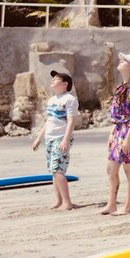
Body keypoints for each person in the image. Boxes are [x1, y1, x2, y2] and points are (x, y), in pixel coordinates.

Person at [100, 53, 130, 216]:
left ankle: (128, 206)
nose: (121, 61)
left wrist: (128, 138)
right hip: (119, 129)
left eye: (125, 61)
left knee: (129, 170)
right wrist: (113, 131)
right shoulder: (123, 85)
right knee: (111, 168)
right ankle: (111, 204)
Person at [32, 70, 79, 211]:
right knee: (53, 171)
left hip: (61, 138)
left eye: (57, 78)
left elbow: (71, 121)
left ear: (65, 84)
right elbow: (49, 121)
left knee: (59, 170)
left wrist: (65, 139)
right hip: (50, 138)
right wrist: (39, 139)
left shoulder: (70, 99)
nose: (53, 80)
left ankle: (67, 202)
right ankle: (58, 201)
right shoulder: (51, 100)